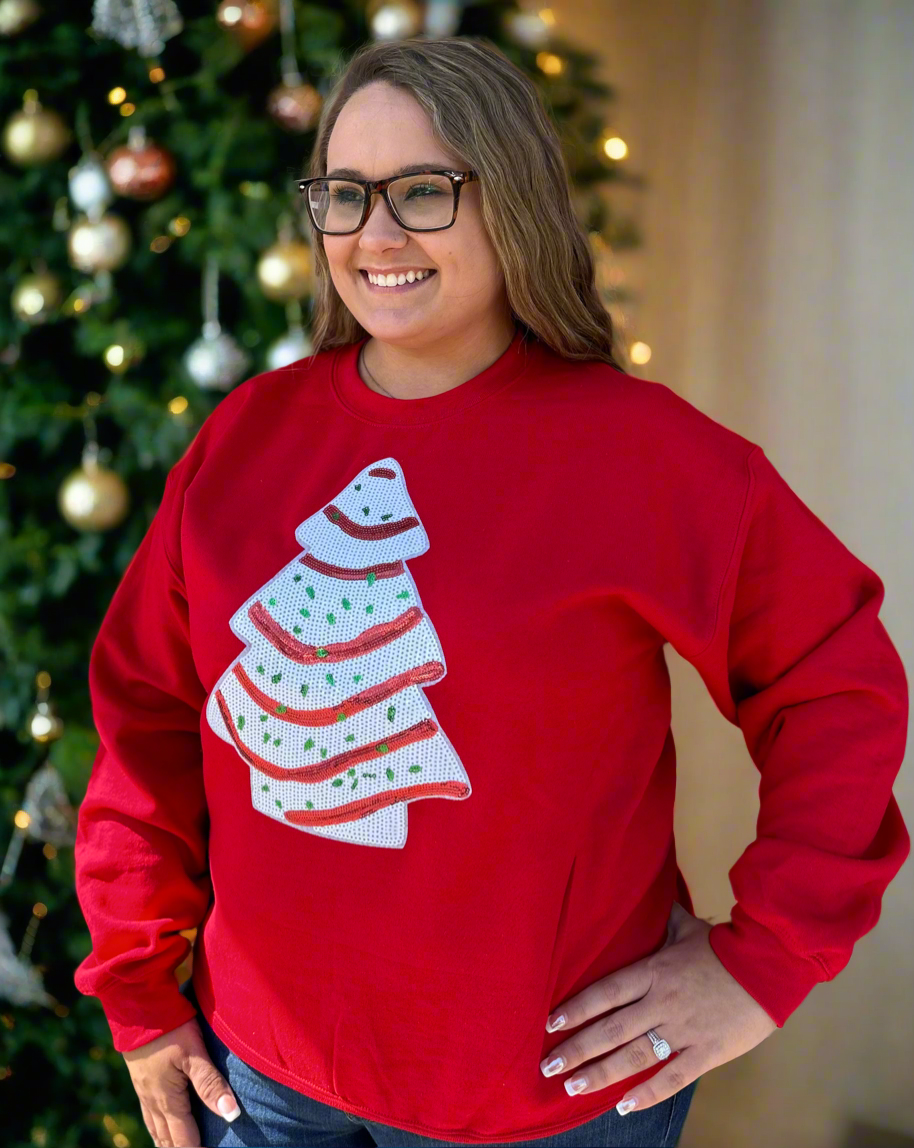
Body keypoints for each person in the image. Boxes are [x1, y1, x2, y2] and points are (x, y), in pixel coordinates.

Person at [73, 34, 910, 1148]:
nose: (375, 234)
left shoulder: (639, 456)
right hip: (257, 1075)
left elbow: (834, 682)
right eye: (343, 193)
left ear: (508, 200)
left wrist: (759, 963)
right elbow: (148, 715)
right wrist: (139, 987)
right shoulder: (246, 436)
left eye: (423, 191)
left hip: (542, 1095)